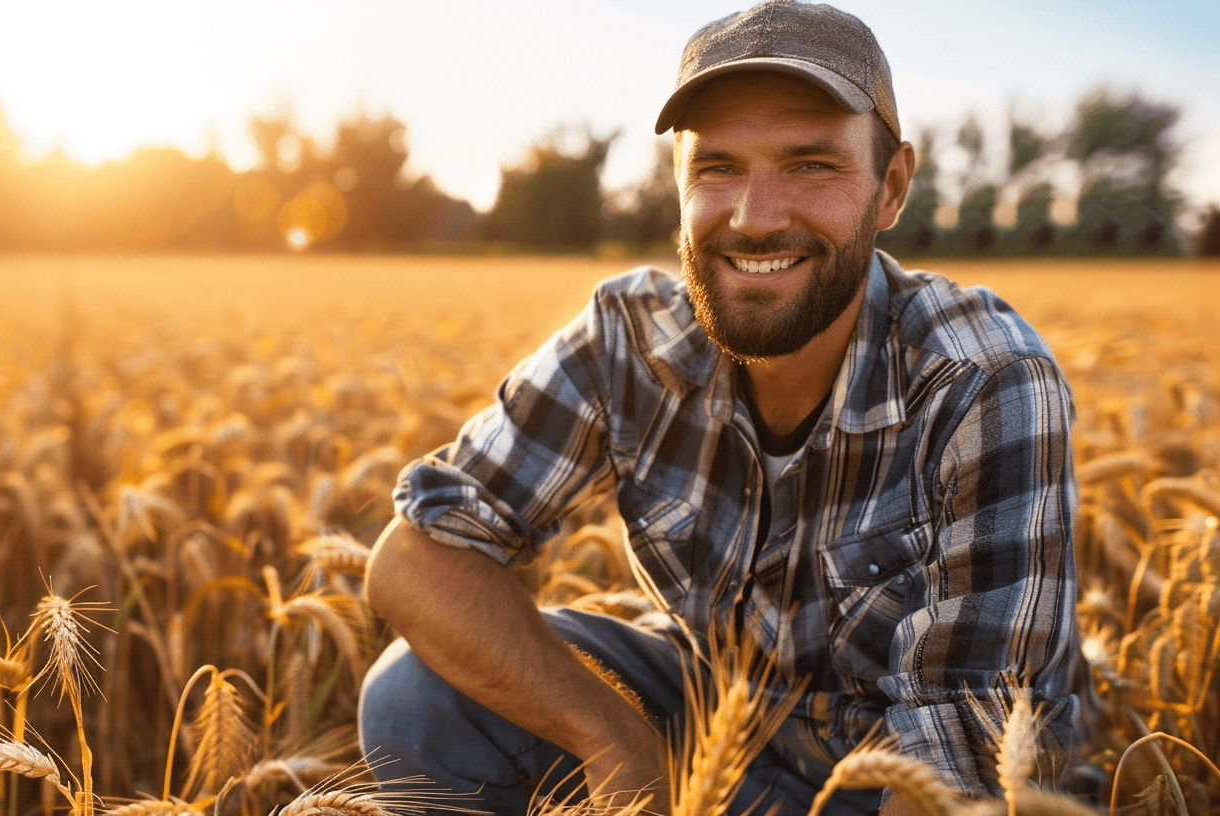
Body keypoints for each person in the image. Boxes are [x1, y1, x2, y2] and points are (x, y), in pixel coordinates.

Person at [358, 2, 1085, 814]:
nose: (754, 216)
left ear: (891, 187)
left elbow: (962, 765)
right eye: (718, 168)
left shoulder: (981, 380)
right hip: (710, 720)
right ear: (677, 182)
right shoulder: (627, 340)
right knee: (415, 698)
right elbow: (416, 557)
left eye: (811, 165)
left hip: (893, 781)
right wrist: (614, 740)